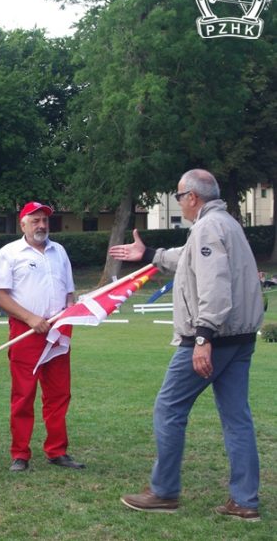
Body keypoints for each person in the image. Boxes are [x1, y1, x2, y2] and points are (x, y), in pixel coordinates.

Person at [110, 169, 263, 521]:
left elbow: (214, 285)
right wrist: (148, 253)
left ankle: (163, 492)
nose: (179, 202)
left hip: (216, 337)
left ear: (192, 197)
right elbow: (189, 259)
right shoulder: (225, 224)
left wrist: (202, 338)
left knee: (169, 408)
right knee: (237, 417)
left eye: (179, 196)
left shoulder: (208, 227)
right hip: (239, 340)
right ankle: (245, 500)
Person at [0, 201, 83, 472]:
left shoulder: (60, 252)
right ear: (23, 224)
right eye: (35, 220)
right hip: (25, 332)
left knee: (59, 394)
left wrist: (69, 313)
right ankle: (20, 454)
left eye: (44, 220)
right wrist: (31, 318)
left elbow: (69, 292)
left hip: (57, 331)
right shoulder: (9, 253)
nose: (41, 225)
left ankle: (57, 450)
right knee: (23, 394)